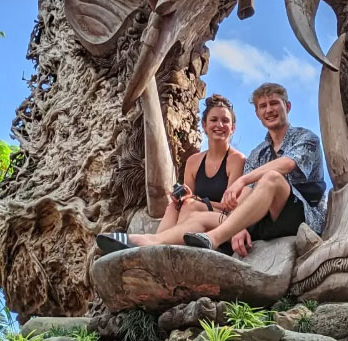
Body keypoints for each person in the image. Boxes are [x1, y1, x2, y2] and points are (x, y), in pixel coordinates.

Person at [182, 82, 326, 257]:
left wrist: (243, 179)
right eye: (262, 106)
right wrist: (238, 226)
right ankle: (153, 244)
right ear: (257, 114)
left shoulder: (307, 138)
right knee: (197, 214)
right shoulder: (258, 153)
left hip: (301, 218)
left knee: (271, 178)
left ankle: (214, 238)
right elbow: (246, 193)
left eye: (274, 103)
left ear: (287, 107)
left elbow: (287, 164)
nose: (269, 110)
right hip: (264, 222)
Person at [96, 94, 245, 252]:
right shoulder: (194, 161)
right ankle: (157, 249)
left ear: (233, 128)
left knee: (189, 204)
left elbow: (229, 206)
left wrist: (196, 200)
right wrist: (181, 196)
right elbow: (188, 196)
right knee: (176, 205)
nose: (219, 125)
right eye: (214, 120)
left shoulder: (237, 159)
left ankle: (153, 242)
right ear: (204, 125)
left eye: (225, 121)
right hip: (194, 215)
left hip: (223, 219)